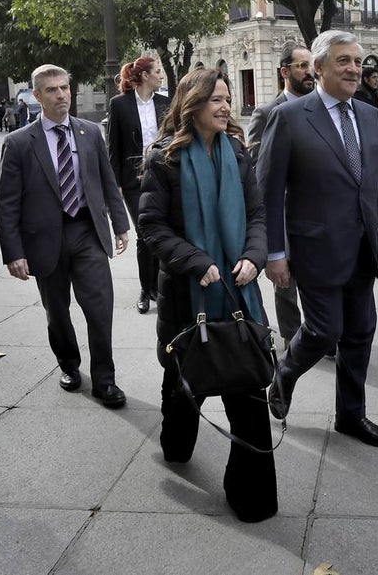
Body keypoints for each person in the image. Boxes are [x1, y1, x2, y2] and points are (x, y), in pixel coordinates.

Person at [137, 67, 277, 523]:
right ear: (191, 104)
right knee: (183, 387)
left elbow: (257, 214)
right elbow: (151, 227)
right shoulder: (163, 158)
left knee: (248, 397)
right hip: (185, 297)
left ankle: (251, 498)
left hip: (238, 295)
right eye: (215, 98)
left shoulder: (239, 152)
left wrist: (254, 257)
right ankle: (176, 445)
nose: (224, 106)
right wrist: (197, 262)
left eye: (227, 98)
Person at [257, 30, 378, 448]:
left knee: (361, 331)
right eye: (344, 61)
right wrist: (275, 253)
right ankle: (284, 374)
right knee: (323, 331)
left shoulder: (369, 114)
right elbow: (268, 191)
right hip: (314, 247)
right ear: (318, 68)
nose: (354, 68)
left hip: (361, 248)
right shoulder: (288, 117)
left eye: (358, 61)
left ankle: (351, 415)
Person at [0, 64, 131, 409]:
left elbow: (106, 180)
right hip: (45, 240)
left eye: (65, 88)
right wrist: (14, 252)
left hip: (87, 232)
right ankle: (69, 365)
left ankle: (105, 380)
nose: (61, 95)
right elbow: (6, 203)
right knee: (57, 311)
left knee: (100, 309)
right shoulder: (20, 143)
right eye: (52, 90)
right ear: (37, 96)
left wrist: (121, 223)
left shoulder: (88, 133)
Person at [246, 41, 315, 346]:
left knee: (315, 275)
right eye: (302, 66)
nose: (309, 71)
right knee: (284, 280)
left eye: (310, 65)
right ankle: (291, 334)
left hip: (315, 210)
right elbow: (255, 166)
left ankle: (317, 330)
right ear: (285, 71)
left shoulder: (321, 107)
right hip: (281, 211)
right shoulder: (266, 112)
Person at [106, 56, 170, 315]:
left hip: (162, 175)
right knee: (144, 233)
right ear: (144, 76)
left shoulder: (165, 103)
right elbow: (113, 147)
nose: (161, 76)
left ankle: (157, 286)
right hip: (132, 180)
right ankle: (146, 289)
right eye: (157, 72)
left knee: (159, 231)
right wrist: (115, 184)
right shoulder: (119, 104)